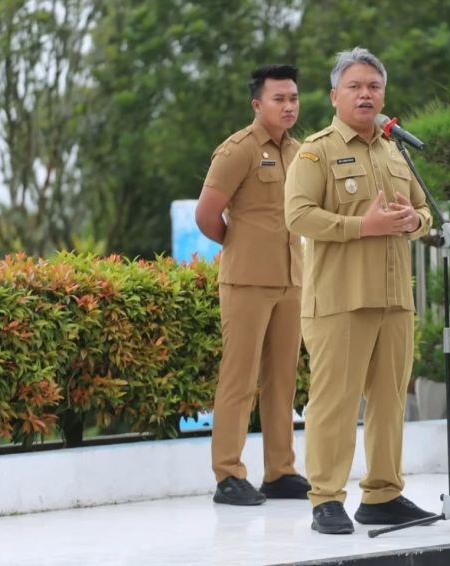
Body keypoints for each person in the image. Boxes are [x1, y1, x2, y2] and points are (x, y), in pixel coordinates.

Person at [284, 47, 434, 534]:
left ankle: (384, 495)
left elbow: (424, 212)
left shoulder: (395, 150)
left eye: (374, 86)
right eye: (355, 86)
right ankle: (325, 499)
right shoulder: (317, 150)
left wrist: (416, 220)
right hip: (340, 302)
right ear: (334, 96)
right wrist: (360, 227)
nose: (366, 94)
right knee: (335, 404)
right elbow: (298, 215)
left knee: (391, 402)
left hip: (395, 300)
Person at [195, 64, 310, 505]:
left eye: (294, 98)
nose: (288, 106)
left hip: (290, 280)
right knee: (239, 378)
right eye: (279, 99)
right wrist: (242, 247)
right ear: (257, 105)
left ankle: (280, 471)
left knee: (282, 379)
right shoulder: (237, 150)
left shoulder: (301, 152)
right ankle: (228, 474)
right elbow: (207, 215)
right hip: (246, 282)